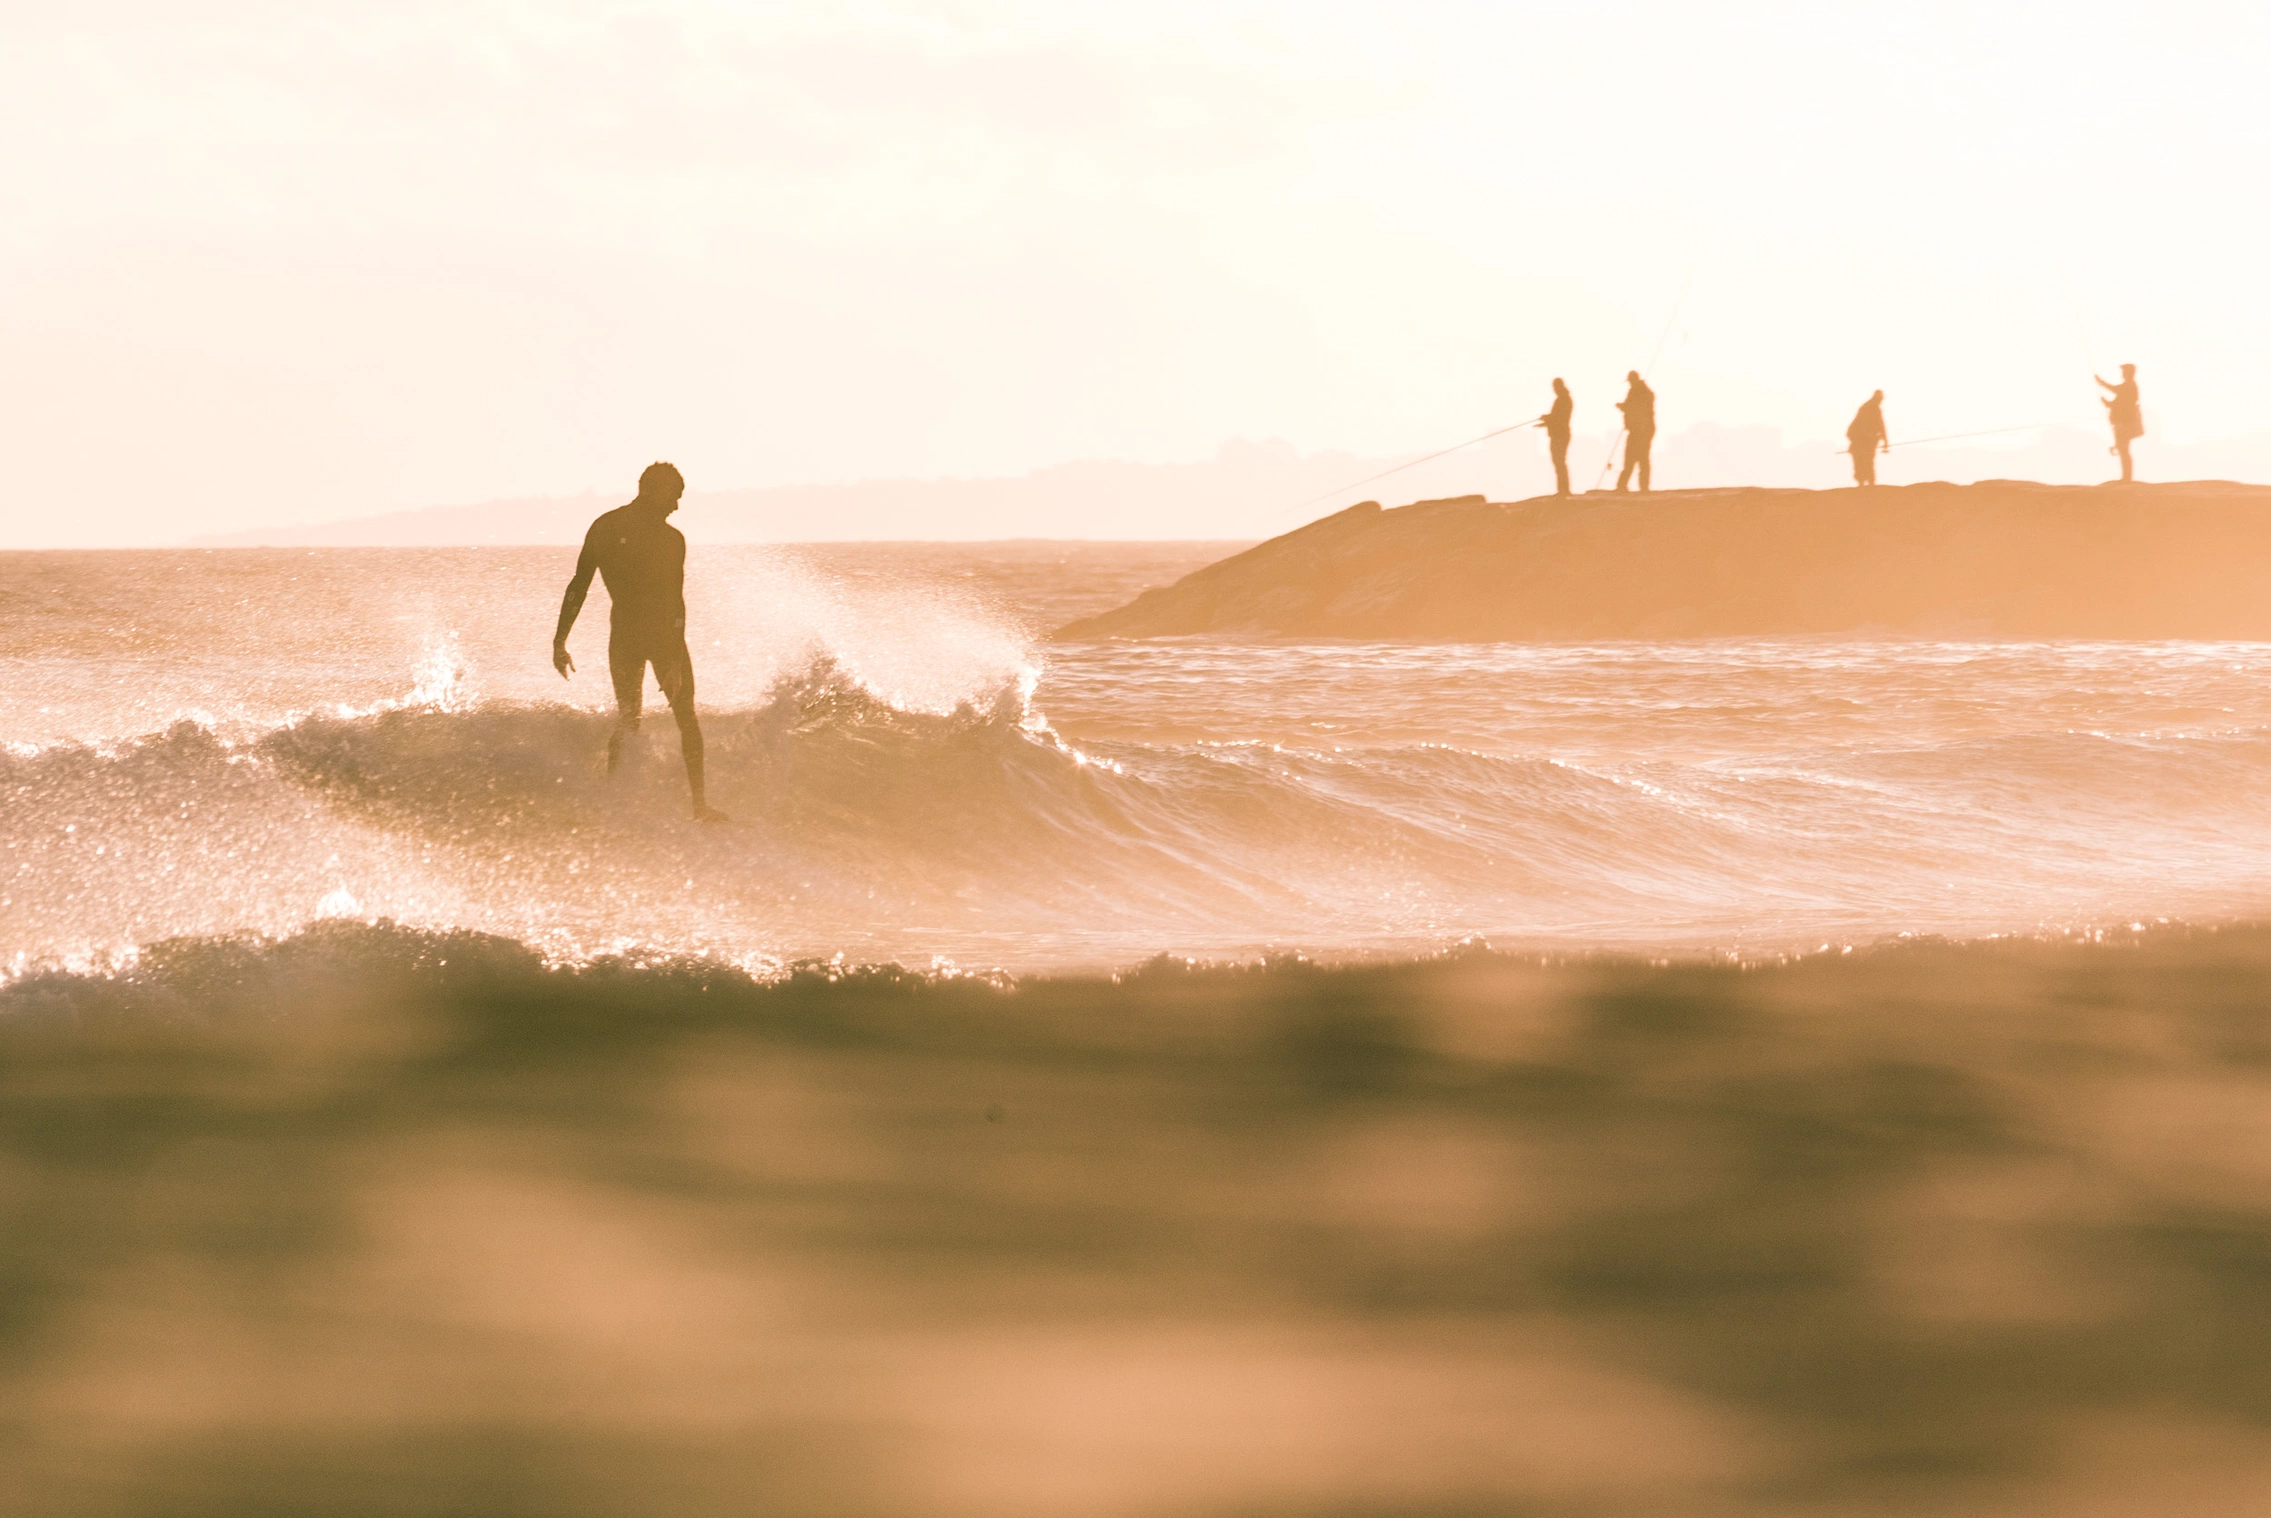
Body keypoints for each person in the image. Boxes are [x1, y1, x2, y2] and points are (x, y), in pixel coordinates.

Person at [553, 461, 727, 822]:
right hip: (661, 639)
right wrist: (675, 658)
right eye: (674, 497)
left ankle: (616, 804)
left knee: (628, 721)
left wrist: (560, 639)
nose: (676, 506)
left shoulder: (605, 526)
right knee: (683, 718)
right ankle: (698, 807)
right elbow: (674, 603)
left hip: (626, 638)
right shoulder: (668, 539)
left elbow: (578, 587)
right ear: (654, 490)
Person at [2097, 364, 2143, 483]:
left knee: (2124, 450)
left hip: (2124, 423)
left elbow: (2116, 391)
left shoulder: (2129, 385)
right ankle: (2126, 477)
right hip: (2122, 423)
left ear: (2129, 373)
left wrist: (2100, 382)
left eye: (2124, 371)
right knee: (2123, 450)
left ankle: (2126, 478)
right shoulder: (2129, 386)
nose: (2122, 373)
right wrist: (2106, 402)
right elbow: (2117, 403)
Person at [1614, 371, 1655, 492]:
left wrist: (1624, 407)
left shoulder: (1645, 393)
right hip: (1634, 430)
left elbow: (1639, 408)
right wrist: (1623, 406)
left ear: (1635, 380)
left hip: (1643, 431)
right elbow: (1630, 407)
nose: (1630, 384)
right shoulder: (1634, 391)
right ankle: (1622, 486)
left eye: (1631, 381)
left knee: (1642, 459)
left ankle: (1643, 487)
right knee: (1630, 459)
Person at [1536, 378, 1575, 495]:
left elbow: (1558, 418)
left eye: (1555, 387)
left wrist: (1546, 418)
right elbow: (1556, 418)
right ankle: (1563, 489)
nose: (1554, 390)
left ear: (1559, 386)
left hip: (1560, 435)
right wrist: (1545, 422)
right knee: (1558, 462)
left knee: (1559, 461)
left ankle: (1564, 489)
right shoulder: (1563, 399)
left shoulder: (1563, 400)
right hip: (1560, 434)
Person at [1846, 390, 1889, 486]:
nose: (1880, 402)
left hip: (1864, 442)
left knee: (1865, 463)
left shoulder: (1872, 408)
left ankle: (1867, 485)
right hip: (1859, 441)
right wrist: (1882, 440)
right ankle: (1867, 486)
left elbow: (1880, 426)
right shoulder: (1869, 408)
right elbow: (1867, 426)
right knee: (1864, 463)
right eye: (1880, 399)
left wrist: (1884, 441)